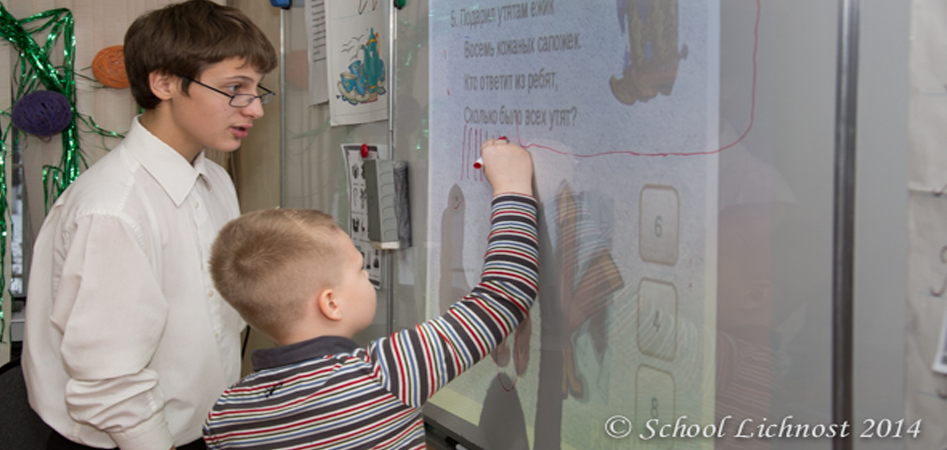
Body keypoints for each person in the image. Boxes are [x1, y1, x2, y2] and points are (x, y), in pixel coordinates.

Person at [21, 1, 277, 449]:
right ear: (164, 83)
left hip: (201, 430)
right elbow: (110, 381)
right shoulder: (113, 210)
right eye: (235, 88)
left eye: (258, 90)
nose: (254, 108)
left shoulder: (215, 180)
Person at [202, 139, 538, 449]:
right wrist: (512, 187)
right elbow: (504, 294)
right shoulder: (385, 374)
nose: (367, 275)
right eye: (360, 268)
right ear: (331, 303)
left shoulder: (226, 414)